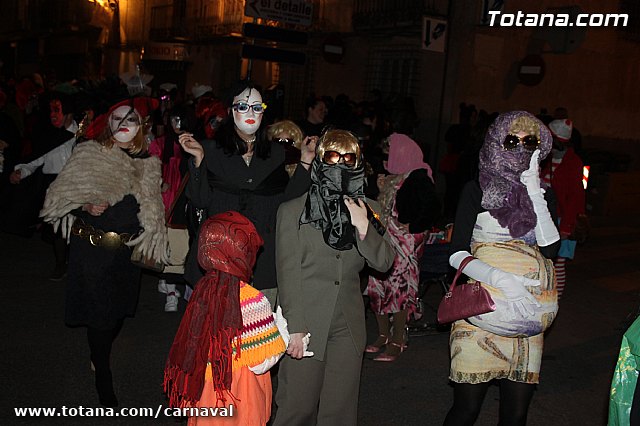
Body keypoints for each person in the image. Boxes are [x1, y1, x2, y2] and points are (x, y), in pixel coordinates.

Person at [40, 96, 169, 407]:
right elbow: (59, 196)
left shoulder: (147, 163)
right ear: (109, 124)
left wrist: (154, 199)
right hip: (93, 250)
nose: (124, 125)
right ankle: (103, 376)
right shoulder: (88, 153)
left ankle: (100, 351)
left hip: (127, 253)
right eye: (118, 119)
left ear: (141, 128)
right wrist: (84, 205)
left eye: (132, 121)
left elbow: (152, 206)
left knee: (117, 313)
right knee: (100, 317)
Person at [443, 111, 560, 426]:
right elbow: (455, 254)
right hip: (482, 313)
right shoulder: (476, 189)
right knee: (466, 410)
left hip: (528, 318)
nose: (520, 147)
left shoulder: (544, 195)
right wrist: (500, 279)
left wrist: (534, 191)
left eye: (529, 141)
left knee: (516, 413)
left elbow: (551, 249)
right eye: (512, 140)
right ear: (497, 143)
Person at [273, 129, 395, 426]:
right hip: (307, 321)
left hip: (348, 327)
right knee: (296, 410)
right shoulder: (293, 212)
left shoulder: (369, 209)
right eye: (332, 156)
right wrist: (296, 328)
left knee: (339, 415)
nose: (340, 164)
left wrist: (364, 228)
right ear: (320, 160)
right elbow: (287, 274)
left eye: (348, 158)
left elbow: (385, 262)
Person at [178, 80, 315, 308]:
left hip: (263, 260)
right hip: (221, 256)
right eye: (243, 106)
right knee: (220, 335)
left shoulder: (275, 153)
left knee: (259, 337)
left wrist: (305, 163)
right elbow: (201, 200)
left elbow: (286, 205)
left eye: (257, 107)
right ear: (231, 111)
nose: (250, 113)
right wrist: (198, 161)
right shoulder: (210, 150)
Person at [164, 211, 286, 425]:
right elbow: (261, 363)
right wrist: (282, 330)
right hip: (240, 401)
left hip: (206, 397)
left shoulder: (202, 290)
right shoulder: (252, 300)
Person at [365, 132, 440, 361]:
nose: (387, 153)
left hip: (406, 243)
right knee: (376, 284)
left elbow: (432, 209)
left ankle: (398, 337)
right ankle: (383, 335)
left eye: (390, 149)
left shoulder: (418, 177)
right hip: (386, 238)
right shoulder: (391, 177)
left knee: (398, 289)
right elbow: (377, 210)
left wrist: (412, 225)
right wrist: (378, 189)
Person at [9, 91, 79, 279]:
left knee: (76, 227)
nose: (52, 115)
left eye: (57, 110)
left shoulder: (82, 135)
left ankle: (75, 264)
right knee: (57, 228)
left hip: (76, 185)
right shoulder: (47, 136)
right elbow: (34, 160)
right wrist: (21, 171)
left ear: (69, 113)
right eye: (51, 111)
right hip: (53, 186)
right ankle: (60, 263)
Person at [541, 118, 585, 300]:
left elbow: (576, 197)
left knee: (559, 262)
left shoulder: (573, 163)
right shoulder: (548, 159)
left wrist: (566, 227)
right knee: (545, 261)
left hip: (563, 219)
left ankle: (555, 300)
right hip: (549, 217)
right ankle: (545, 296)